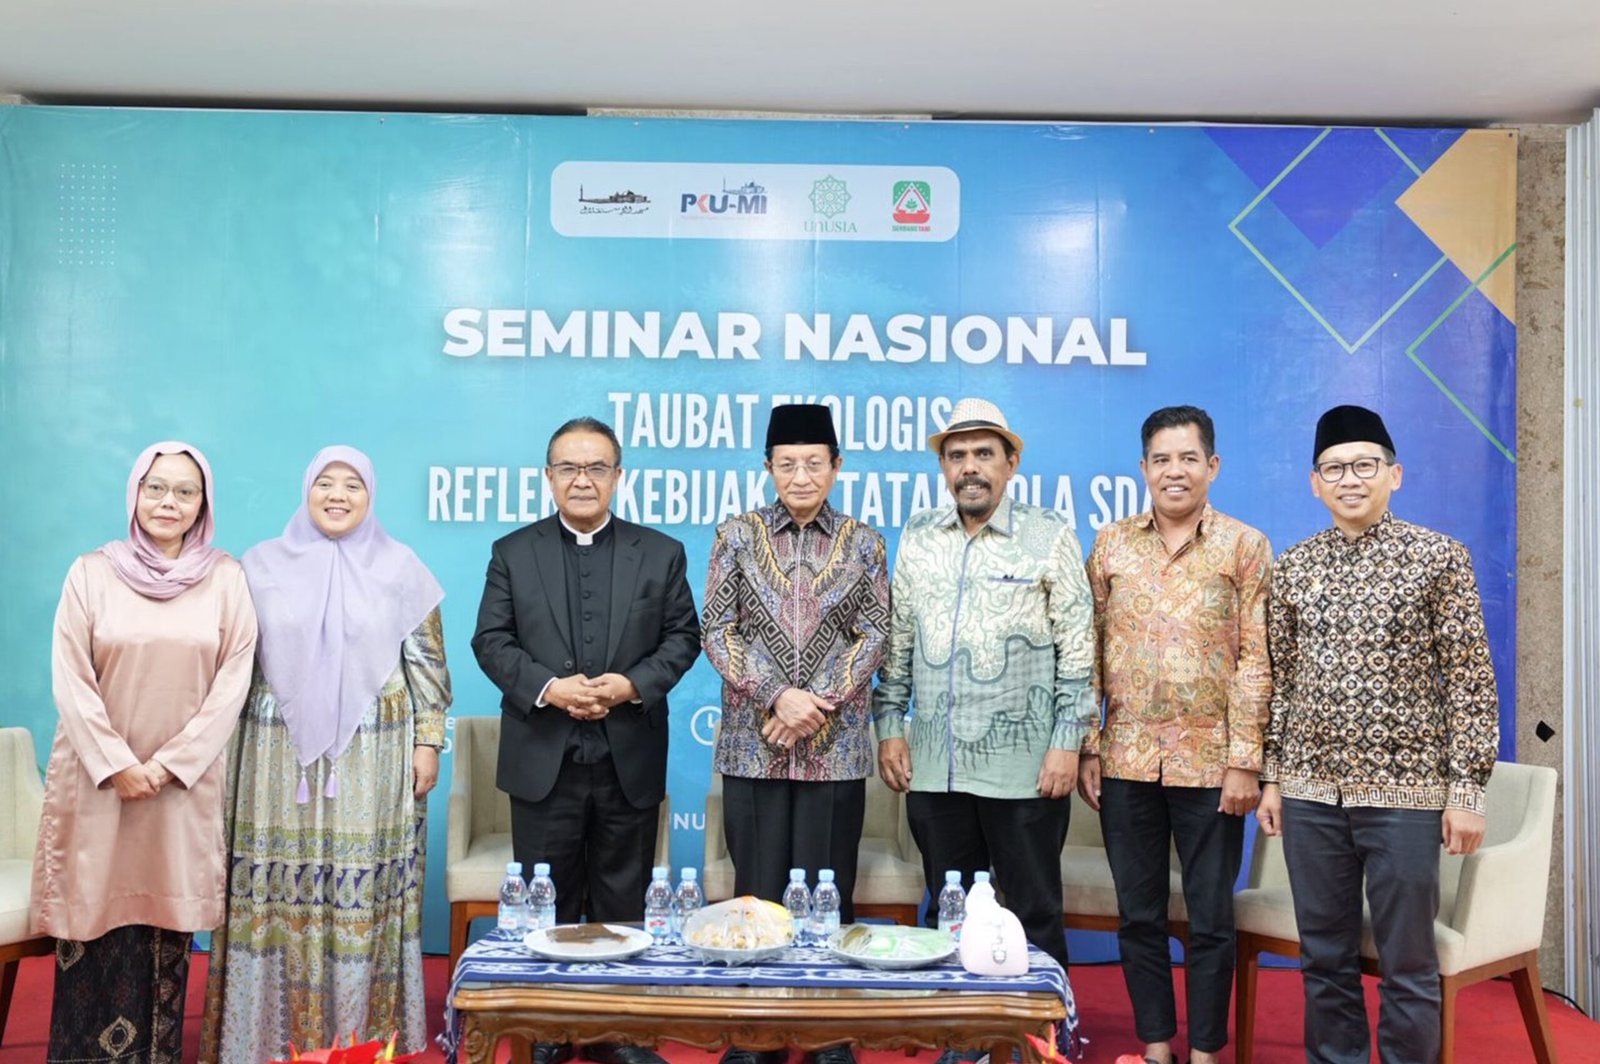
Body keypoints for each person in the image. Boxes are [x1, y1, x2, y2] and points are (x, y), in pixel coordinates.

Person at [1257, 404, 1500, 1064]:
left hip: (1407, 798)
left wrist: (1467, 793)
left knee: (1408, 965)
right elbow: (1282, 681)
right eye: (1334, 468)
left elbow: (1470, 681)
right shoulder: (1294, 566)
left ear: (1395, 474)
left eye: (1365, 465)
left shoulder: (1438, 559)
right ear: (1315, 484)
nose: (1350, 479)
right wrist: (1273, 779)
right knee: (1324, 959)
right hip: (1311, 797)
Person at [200, 445, 451, 1061]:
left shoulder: (402, 568)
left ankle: (362, 1041)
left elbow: (428, 666)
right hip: (274, 755)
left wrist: (428, 741)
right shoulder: (257, 566)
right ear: (306, 490)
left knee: (362, 889)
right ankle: (262, 1039)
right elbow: (233, 661)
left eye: (352, 485)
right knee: (274, 886)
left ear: (370, 496)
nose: (338, 495)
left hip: (373, 757)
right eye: (325, 483)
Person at [473, 416, 701, 1064]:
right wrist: (550, 688)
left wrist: (630, 685)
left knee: (622, 897)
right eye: (569, 468)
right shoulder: (513, 552)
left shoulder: (660, 552)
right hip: (543, 753)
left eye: (596, 467)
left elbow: (684, 637)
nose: (582, 479)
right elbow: (491, 641)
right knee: (545, 898)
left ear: (617, 476)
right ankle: (549, 1027)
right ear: (548, 477)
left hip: (628, 752)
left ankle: (613, 1030)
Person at [872, 396, 1093, 1058]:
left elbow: (1078, 647)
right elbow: (898, 638)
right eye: (957, 455)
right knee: (948, 908)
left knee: (1032, 908)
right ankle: (960, 1037)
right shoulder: (919, 535)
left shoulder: (1048, 534)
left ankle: (1041, 1040)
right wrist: (890, 723)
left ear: (1011, 463)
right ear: (944, 467)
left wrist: (1067, 742)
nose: (970, 467)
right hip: (935, 764)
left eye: (983, 454)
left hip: (1024, 767)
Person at [31, 441, 258, 1064]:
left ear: (203, 504)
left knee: (165, 922)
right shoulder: (90, 572)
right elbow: (71, 678)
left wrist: (168, 766)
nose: (168, 502)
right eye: (156, 487)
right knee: (91, 917)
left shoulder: (225, 578)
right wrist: (117, 765)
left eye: (185, 491)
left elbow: (232, 682)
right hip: (98, 783)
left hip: (179, 788)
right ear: (135, 493)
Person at [1077, 406, 1272, 1064]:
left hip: (1212, 766)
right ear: (1143, 468)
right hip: (1126, 760)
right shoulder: (1111, 544)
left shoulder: (1244, 546)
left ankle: (1208, 1051)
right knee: (1139, 916)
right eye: (1161, 459)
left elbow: (1256, 659)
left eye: (1188, 458)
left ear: (1212, 465)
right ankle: (1157, 1045)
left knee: (1211, 918)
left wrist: (1245, 761)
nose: (1175, 471)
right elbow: (1088, 652)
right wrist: (1089, 744)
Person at [702, 404, 891, 1064]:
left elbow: (875, 632)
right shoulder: (736, 535)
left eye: (814, 463)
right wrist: (778, 695)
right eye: (788, 464)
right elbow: (718, 628)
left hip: (834, 748)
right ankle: (755, 1034)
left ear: (836, 466)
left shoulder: (865, 543)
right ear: (768, 467)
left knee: (827, 890)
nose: (801, 475)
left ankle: (827, 1032)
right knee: (756, 892)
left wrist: (819, 701)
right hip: (753, 744)